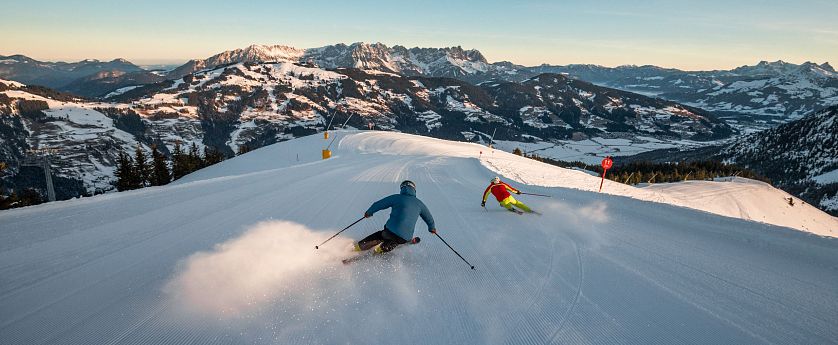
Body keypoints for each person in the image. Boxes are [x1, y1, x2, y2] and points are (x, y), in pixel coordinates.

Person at [355, 180, 436, 254]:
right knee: (397, 240)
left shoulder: (397, 197)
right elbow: (429, 218)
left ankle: (358, 247)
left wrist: (369, 212)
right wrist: (432, 228)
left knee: (380, 235)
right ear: (414, 190)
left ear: (402, 188)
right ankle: (380, 250)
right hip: (404, 238)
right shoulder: (420, 204)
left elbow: (379, 204)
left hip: (389, 232)